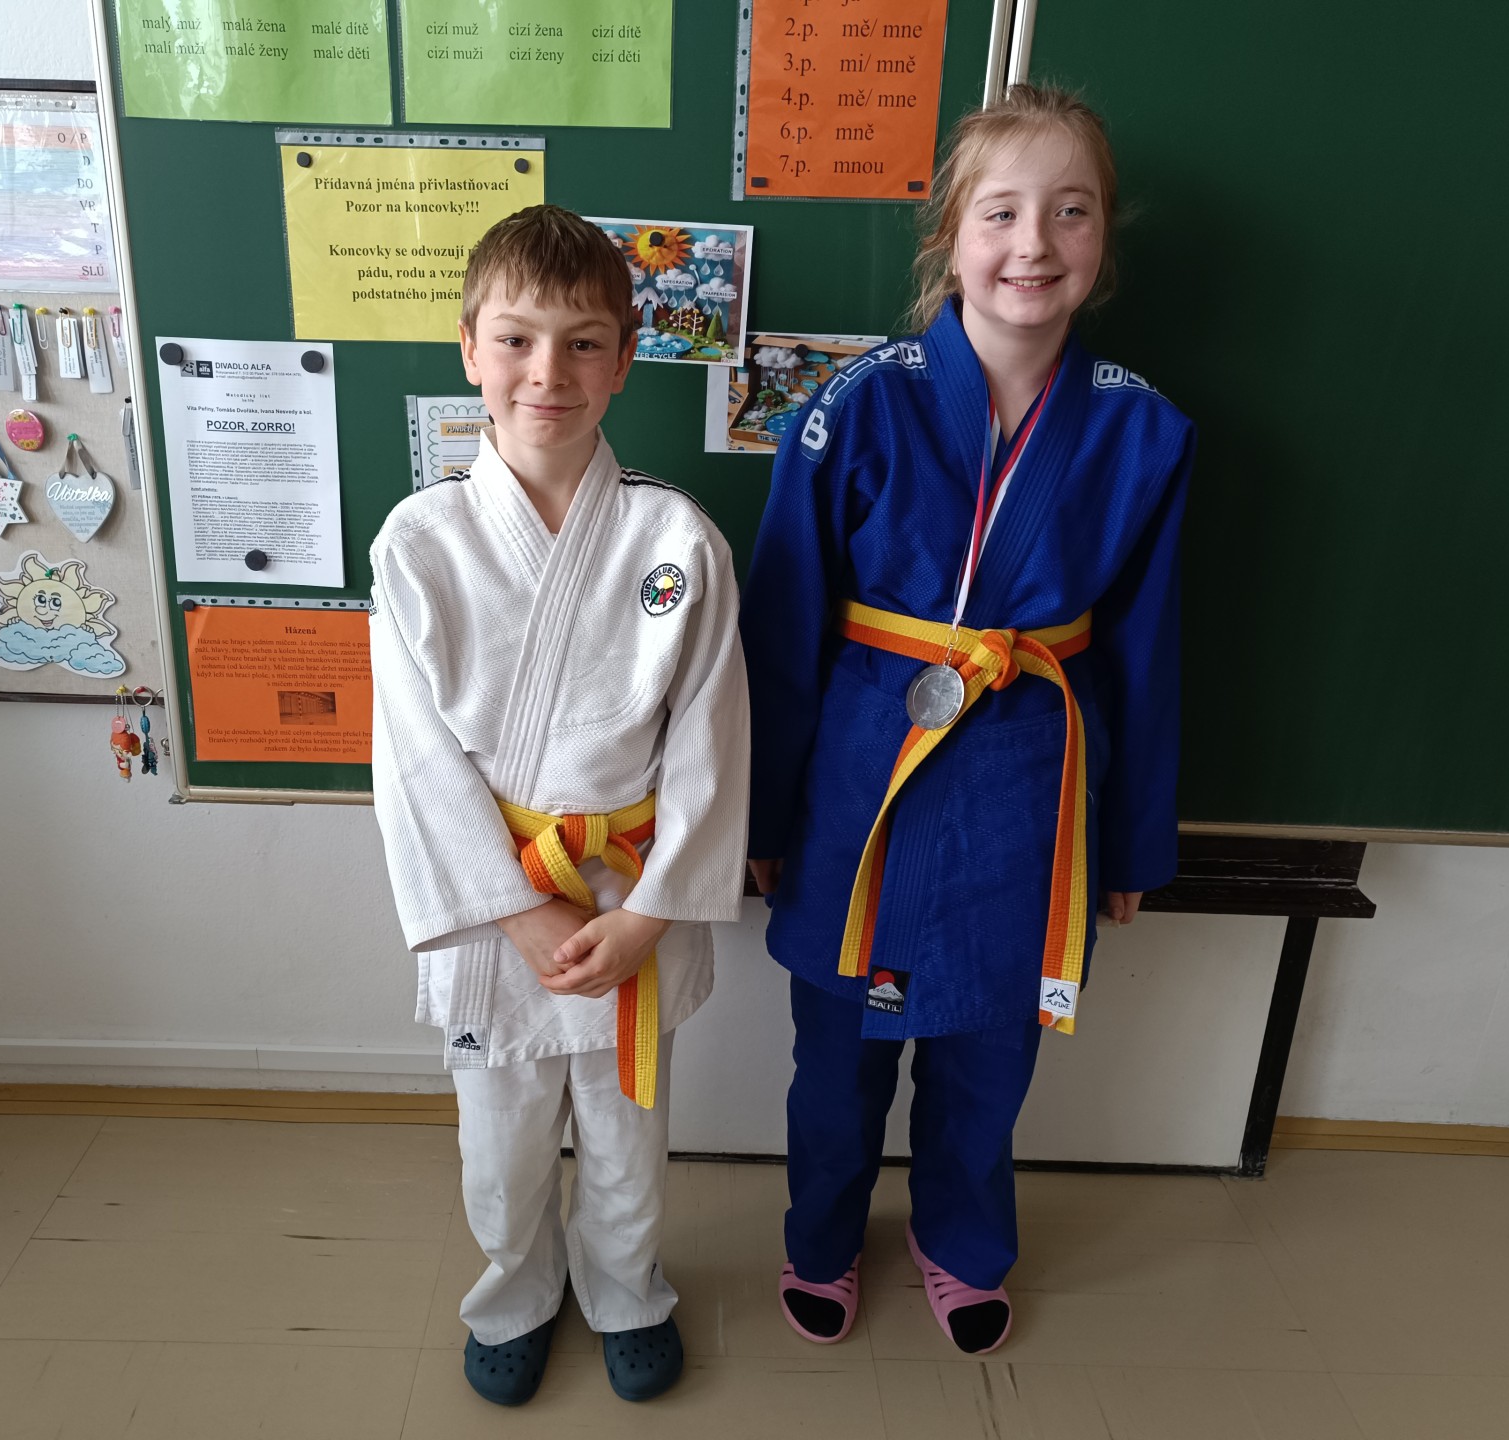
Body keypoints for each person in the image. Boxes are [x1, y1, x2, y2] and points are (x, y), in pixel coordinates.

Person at [741, 85, 1194, 1355]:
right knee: (839, 1053)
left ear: (1105, 238)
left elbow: (1149, 652)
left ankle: (962, 1242)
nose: (1033, 244)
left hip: (1030, 784)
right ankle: (822, 1236)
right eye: (1001, 212)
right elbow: (781, 628)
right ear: (949, 232)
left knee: (990, 1055)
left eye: (1071, 212)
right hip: (861, 780)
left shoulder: (1144, 429)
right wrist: (764, 816)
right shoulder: (854, 405)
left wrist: (1134, 841)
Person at [368, 205, 750, 1406]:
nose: (549, 372)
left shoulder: (675, 537)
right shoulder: (418, 542)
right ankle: (515, 1294)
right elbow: (414, 761)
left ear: (625, 359)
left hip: (633, 891)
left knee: (629, 1134)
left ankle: (628, 1289)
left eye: (584, 343)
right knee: (501, 1143)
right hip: (498, 907)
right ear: (469, 349)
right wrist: (515, 908)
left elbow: (711, 741)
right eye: (518, 340)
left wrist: (650, 913)